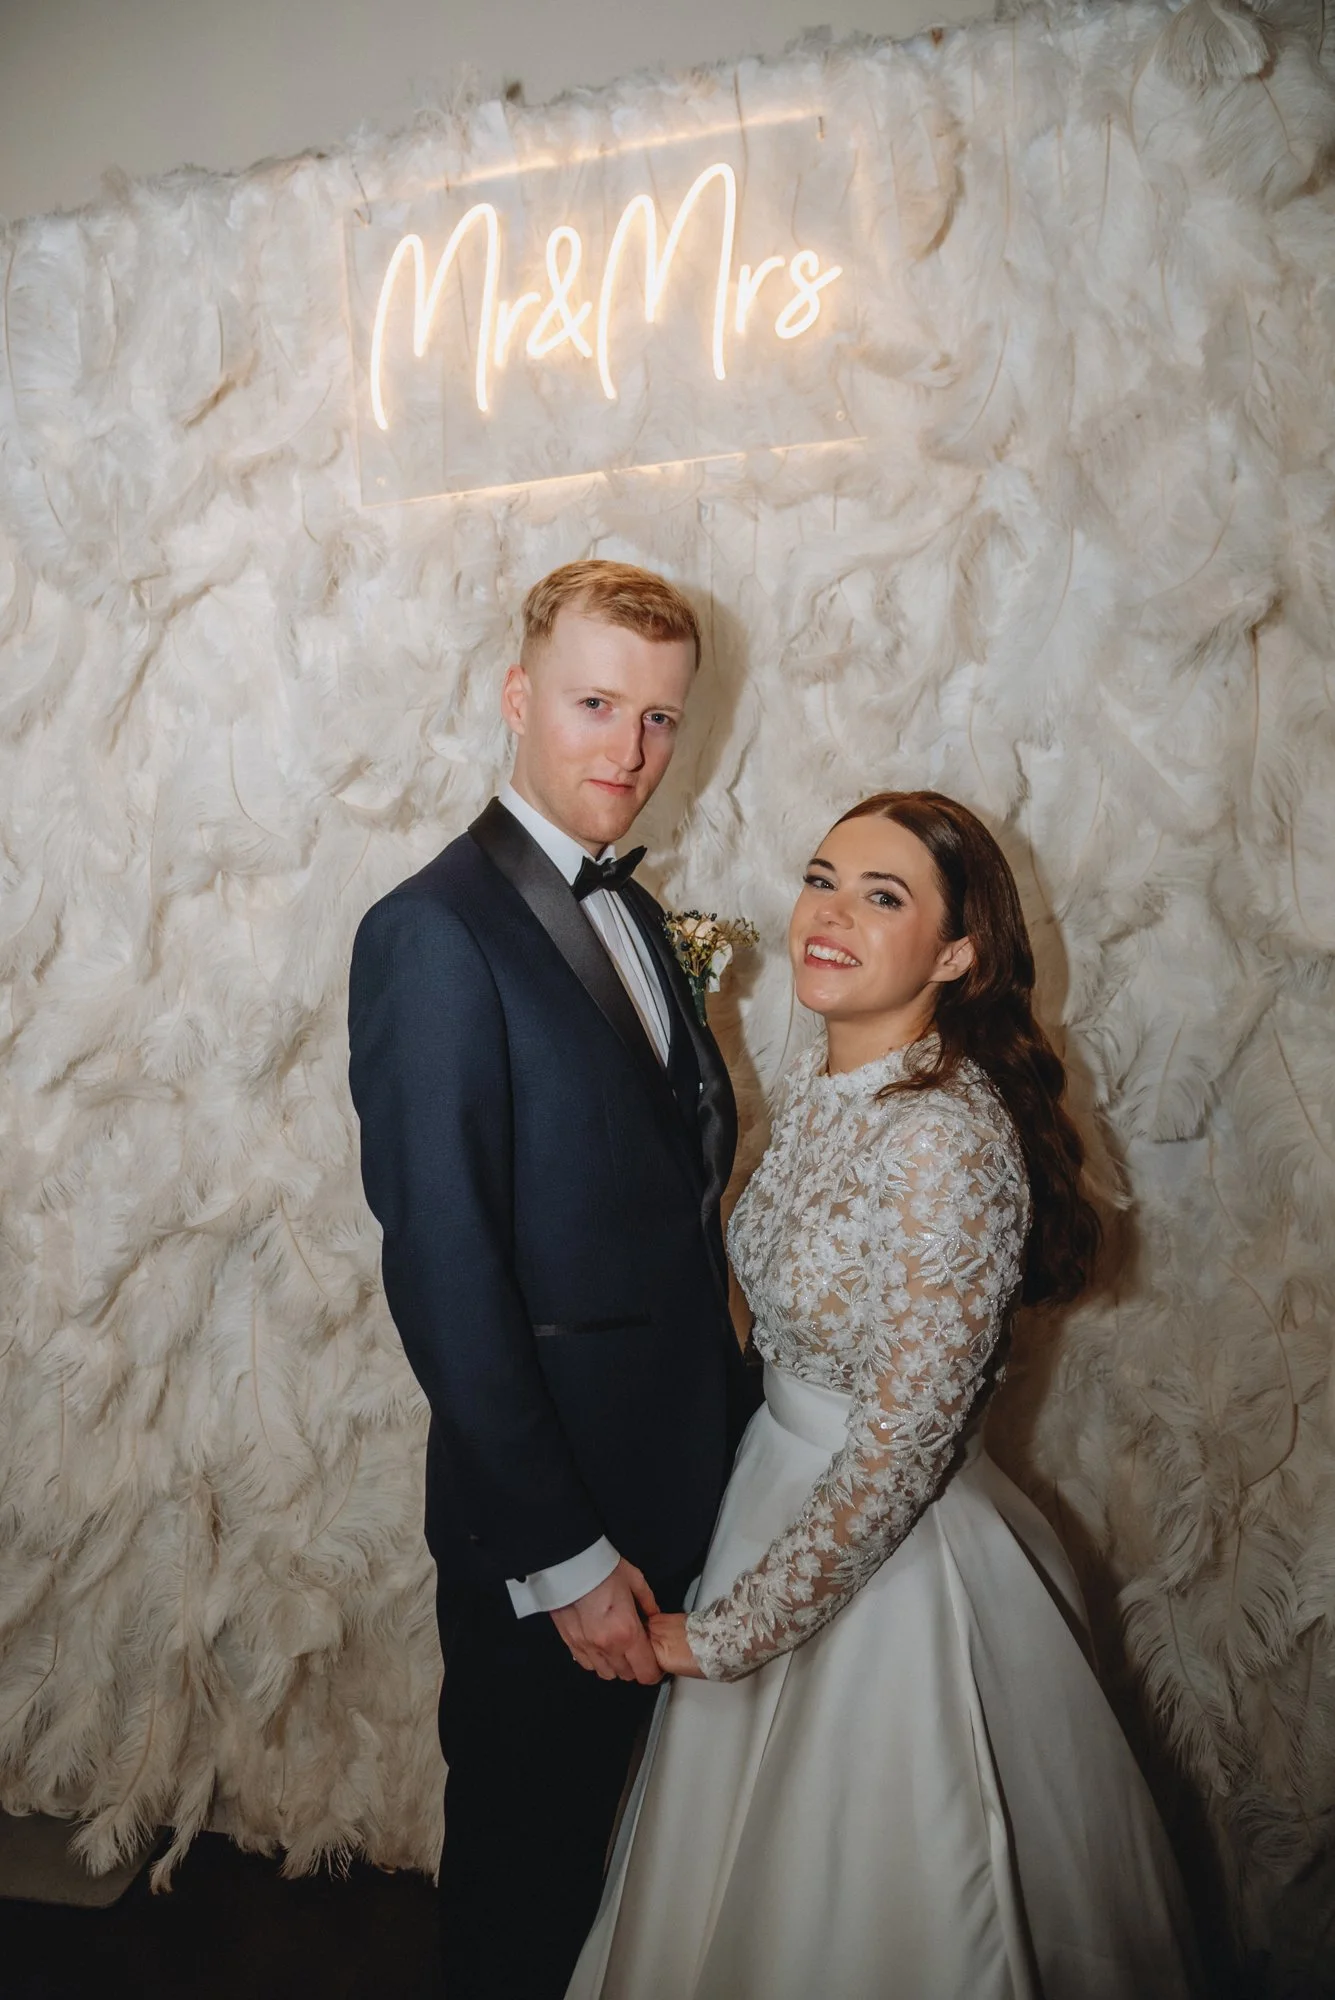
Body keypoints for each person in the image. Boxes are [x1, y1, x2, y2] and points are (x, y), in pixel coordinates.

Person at [567, 791, 1202, 2000]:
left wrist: (725, 1633)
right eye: (821, 878)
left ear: (957, 953)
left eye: (883, 895)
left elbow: (907, 1441)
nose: (830, 913)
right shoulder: (837, 1082)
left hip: (884, 1567)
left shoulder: (945, 1138)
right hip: (772, 1494)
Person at [347, 559, 760, 2000]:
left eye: (658, 718)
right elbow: (444, 1273)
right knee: (523, 1900)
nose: (627, 752)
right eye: (594, 704)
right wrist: (565, 1559)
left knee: (633, 1890)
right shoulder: (434, 932)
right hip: (554, 1540)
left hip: (683, 1496)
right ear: (518, 699)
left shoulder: (636, 917)